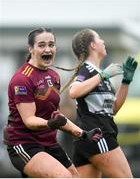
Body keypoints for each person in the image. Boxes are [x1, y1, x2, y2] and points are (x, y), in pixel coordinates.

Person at [3, 27, 103, 178]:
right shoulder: (22, 79)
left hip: (49, 144)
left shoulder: (54, 76)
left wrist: (83, 134)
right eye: (41, 45)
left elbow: (57, 117)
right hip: (24, 144)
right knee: (64, 177)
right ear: (31, 49)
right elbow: (29, 120)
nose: (48, 49)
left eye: (51, 44)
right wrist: (50, 123)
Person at [65, 28, 138, 178]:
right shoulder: (86, 69)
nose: (103, 41)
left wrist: (126, 81)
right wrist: (103, 75)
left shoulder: (100, 74)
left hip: (87, 139)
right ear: (92, 45)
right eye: (99, 39)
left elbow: (114, 109)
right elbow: (73, 91)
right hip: (99, 135)